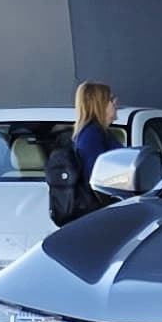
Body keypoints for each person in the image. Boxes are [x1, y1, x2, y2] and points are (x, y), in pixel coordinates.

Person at [51, 79, 119, 224]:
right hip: (98, 215)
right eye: (111, 99)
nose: (116, 102)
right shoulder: (91, 135)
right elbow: (96, 179)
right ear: (100, 104)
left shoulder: (100, 133)